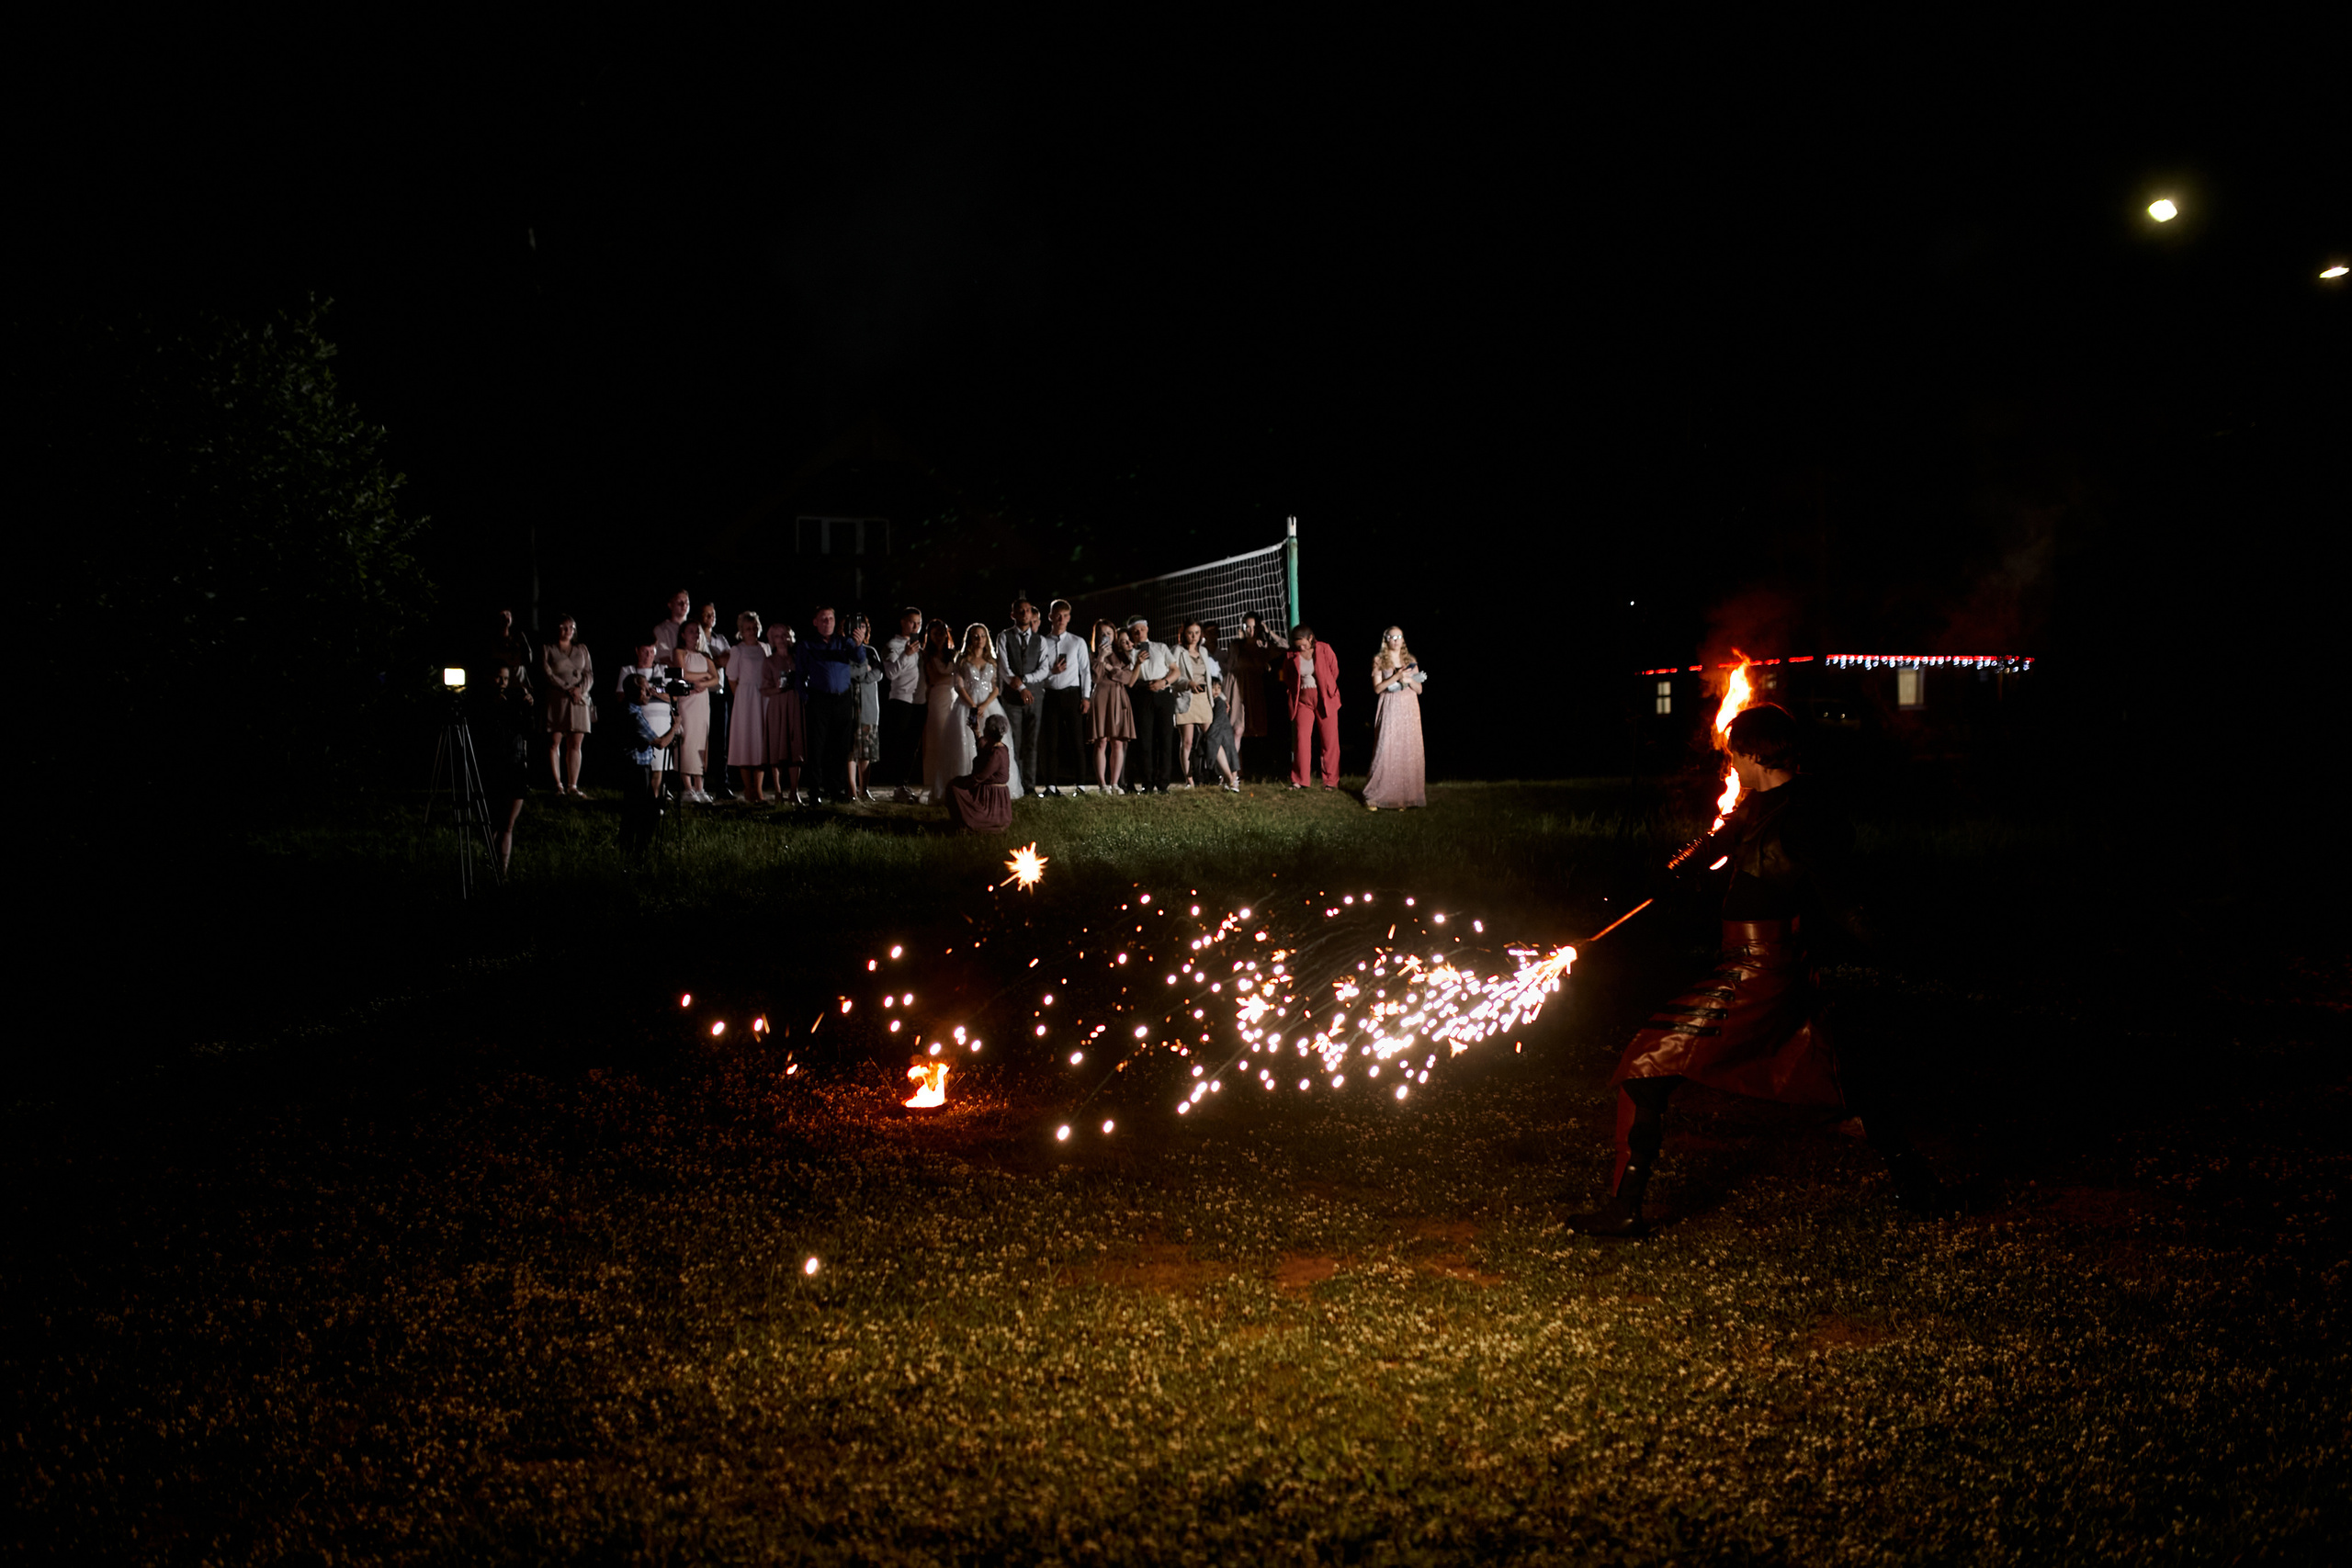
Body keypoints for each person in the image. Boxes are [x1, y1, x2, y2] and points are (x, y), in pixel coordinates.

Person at [1567, 703, 1951, 1238]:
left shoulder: (1806, 816)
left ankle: (1625, 1211)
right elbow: (1717, 843)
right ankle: (1920, 1186)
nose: (1732, 766)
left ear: (1755, 754)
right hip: (1750, 962)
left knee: (1645, 1061)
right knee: (1832, 1083)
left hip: (1761, 970)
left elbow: (1842, 903)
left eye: (1735, 757)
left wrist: (1898, 952)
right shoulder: (1757, 803)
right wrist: (1673, 872)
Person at [945, 624, 1024, 801]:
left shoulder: (992, 661)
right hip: (968, 703)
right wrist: (973, 705)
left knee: (994, 741)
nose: (979, 639)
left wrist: (985, 704)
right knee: (966, 739)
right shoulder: (962, 660)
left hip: (989, 704)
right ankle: (967, 784)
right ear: (970, 639)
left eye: (982, 636)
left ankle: (993, 782)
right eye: (975, 636)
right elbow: (958, 686)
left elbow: (997, 687)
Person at [469, 664, 533, 875]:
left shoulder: (514, 701)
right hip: (493, 768)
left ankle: (502, 872)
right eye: (498, 678)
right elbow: (479, 733)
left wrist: (527, 706)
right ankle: (488, 866)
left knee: (508, 824)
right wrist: (494, 708)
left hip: (515, 765)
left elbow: (527, 730)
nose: (502, 683)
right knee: (492, 822)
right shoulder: (480, 703)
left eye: (506, 679)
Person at [797, 605, 862, 805]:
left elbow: (859, 659)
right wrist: (805, 697)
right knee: (817, 746)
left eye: (831, 619)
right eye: (823, 619)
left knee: (841, 745)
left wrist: (859, 644)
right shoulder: (807, 645)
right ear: (815, 622)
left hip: (842, 699)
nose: (828, 622)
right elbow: (800, 674)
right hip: (819, 699)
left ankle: (836, 789)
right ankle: (815, 790)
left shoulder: (844, 642)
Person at [1363, 626, 1427, 810]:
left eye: (1399, 637)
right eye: (1392, 637)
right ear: (1386, 639)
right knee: (1387, 747)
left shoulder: (1410, 660)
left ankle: (1403, 797)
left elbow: (1419, 689)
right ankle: (1376, 795)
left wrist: (1409, 680)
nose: (1396, 640)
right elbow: (1377, 688)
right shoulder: (1379, 660)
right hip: (1390, 706)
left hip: (1409, 707)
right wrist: (1396, 677)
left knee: (1407, 749)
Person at [620, 672, 685, 853]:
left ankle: (629, 850)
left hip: (634, 767)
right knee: (647, 813)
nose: (650, 693)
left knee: (633, 812)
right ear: (634, 692)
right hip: (637, 770)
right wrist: (675, 726)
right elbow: (660, 743)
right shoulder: (634, 716)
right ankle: (638, 851)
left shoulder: (627, 709)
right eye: (645, 689)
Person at [1033, 598, 1092, 796]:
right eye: (1058, 615)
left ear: (1069, 618)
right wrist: (1052, 671)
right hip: (1050, 695)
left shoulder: (1077, 642)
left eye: (1065, 616)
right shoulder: (1042, 642)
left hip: (1072, 694)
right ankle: (1051, 786)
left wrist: (1086, 697)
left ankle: (1081, 785)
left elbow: (1085, 671)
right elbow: (1038, 672)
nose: (1061, 619)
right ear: (1050, 617)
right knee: (1051, 743)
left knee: (1077, 741)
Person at [1280, 623, 1342, 789]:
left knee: (1329, 740)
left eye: (1303, 644)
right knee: (1302, 738)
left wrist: (1327, 687)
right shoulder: (1291, 655)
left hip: (1325, 698)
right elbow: (1287, 676)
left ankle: (1330, 781)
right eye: (1297, 644)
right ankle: (1300, 780)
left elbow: (1334, 670)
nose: (1301, 647)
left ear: (1310, 638)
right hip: (1303, 700)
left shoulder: (1324, 649)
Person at [538, 615, 594, 796]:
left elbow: (589, 673)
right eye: (563, 627)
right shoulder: (548, 649)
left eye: (571, 627)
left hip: (579, 698)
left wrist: (580, 689)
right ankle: (557, 784)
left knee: (575, 743)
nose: (567, 631)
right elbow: (547, 673)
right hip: (558, 698)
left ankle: (573, 785)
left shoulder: (582, 649)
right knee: (554, 741)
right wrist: (567, 688)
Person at [997, 597, 1049, 786]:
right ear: (1013, 614)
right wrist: (1020, 688)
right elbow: (1004, 668)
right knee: (1014, 740)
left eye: (1028, 610)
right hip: (1012, 697)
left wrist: (1025, 681)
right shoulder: (1004, 636)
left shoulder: (1040, 640)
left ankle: (1029, 784)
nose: (1025, 614)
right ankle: (1014, 783)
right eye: (1020, 610)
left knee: (1032, 742)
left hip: (1035, 696)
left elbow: (1044, 669)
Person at [1125, 615, 1177, 793]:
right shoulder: (1131, 653)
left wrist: (1164, 682)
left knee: (1165, 740)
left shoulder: (1160, 647)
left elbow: (1175, 670)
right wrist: (1138, 662)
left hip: (1162, 693)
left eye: (1142, 629)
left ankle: (1163, 783)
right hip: (1143, 694)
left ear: (1147, 629)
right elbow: (1130, 680)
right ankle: (1147, 783)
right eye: (1135, 631)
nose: (1139, 633)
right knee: (1145, 741)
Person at [880, 605, 927, 802]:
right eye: (912, 622)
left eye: (919, 623)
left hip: (920, 701)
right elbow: (890, 673)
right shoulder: (893, 645)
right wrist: (905, 654)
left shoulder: (921, 647)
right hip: (901, 700)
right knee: (900, 745)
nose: (916, 627)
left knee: (912, 747)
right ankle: (898, 786)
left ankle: (904, 784)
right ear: (902, 622)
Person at [723, 612, 771, 804]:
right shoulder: (738, 650)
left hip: (763, 697)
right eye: (748, 628)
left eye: (755, 628)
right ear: (741, 631)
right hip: (745, 699)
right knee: (745, 742)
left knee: (760, 742)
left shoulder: (765, 648)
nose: (752, 631)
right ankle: (748, 788)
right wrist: (742, 699)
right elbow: (731, 678)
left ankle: (758, 789)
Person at [1087, 620, 1137, 794]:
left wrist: (1109, 667)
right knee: (1101, 741)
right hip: (1100, 696)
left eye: (1109, 633)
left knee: (1117, 742)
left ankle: (1115, 783)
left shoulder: (1121, 655)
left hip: (1118, 696)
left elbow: (1127, 678)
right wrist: (1101, 658)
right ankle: (1102, 784)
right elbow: (1094, 677)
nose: (1106, 636)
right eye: (1102, 633)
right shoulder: (1092, 655)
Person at [944, 714, 1015, 833]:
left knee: (954, 788)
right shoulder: (997, 747)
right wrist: (976, 731)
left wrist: (965, 784)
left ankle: (971, 822)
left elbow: (981, 776)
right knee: (956, 783)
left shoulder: (996, 754)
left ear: (989, 732)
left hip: (992, 796)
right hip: (987, 789)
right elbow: (984, 749)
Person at [1196, 622, 1242, 794]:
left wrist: (1223, 697)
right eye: (1209, 633)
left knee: (1225, 735)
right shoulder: (1200, 653)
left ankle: (1231, 776)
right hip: (1204, 698)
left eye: (1216, 632)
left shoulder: (1223, 655)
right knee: (1212, 735)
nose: (1213, 636)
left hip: (1220, 698)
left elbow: (1227, 676)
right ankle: (1224, 775)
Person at [920, 619, 962, 804]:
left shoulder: (953, 654)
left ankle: (951, 779)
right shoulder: (927, 655)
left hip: (954, 697)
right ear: (929, 636)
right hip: (937, 697)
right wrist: (954, 677)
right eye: (935, 633)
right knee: (935, 739)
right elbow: (935, 677)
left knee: (952, 738)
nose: (940, 637)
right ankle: (932, 782)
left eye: (942, 633)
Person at [763, 620, 806, 804]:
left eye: (784, 635)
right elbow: (764, 688)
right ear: (772, 640)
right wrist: (778, 688)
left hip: (795, 704)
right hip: (778, 706)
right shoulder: (769, 661)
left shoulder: (797, 659)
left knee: (795, 748)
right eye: (777, 636)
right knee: (776, 748)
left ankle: (794, 792)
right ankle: (778, 792)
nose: (781, 639)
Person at [1170, 622, 1214, 790]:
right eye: (1190, 633)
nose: (1194, 636)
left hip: (1203, 698)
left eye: (1197, 632)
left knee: (1211, 736)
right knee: (1187, 741)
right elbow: (1172, 676)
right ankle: (1189, 780)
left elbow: (1208, 677)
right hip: (1186, 697)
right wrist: (1188, 683)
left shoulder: (1203, 651)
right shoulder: (1177, 650)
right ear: (1184, 634)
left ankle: (1212, 773)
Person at [697, 604, 734, 798]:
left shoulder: (721, 639)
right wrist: (716, 661)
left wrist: (712, 660)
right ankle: (699, 784)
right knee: (700, 739)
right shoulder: (696, 637)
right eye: (706, 614)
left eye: (713, 614)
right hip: (700, 694)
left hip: (718, 694)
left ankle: (722, 784)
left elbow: (727, 660)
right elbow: (704, 663)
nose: (711, 617)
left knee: (721, 741)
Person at [847, 613, 884, 801]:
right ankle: (852, 789)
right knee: (850, 750)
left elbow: (878, 673)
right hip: (849, 705)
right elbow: (846, 672)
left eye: (863, 627)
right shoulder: (844, 649)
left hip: (868, 705)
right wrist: (864, 670)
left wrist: (861, 674)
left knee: (866, 750)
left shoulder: (870, 651)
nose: (859, 630)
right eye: (856, 627)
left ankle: (864, 789)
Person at [488, 609, 536, 704]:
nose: (506, 618)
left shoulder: (518, 636)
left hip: (519, 682)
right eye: (502, 615)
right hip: (501, 686)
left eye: (508, 614)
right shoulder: (493, 640)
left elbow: (528, 658)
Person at [651, 588, 692, 660]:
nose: (684, 605)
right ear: (670, 605)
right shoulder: (661, 629)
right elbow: (664, 658)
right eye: (679, 602)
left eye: (686, 602)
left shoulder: (696, 628)